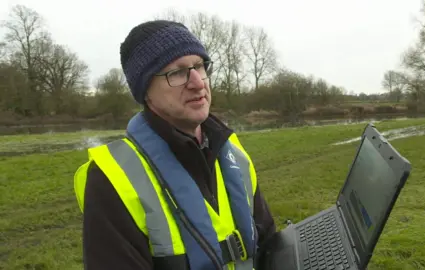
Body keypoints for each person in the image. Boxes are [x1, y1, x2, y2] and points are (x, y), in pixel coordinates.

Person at [73, 20, 277, 270]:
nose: (198, 83)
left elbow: (269, 246)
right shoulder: (110, 180)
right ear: (145, 91)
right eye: (177, 73)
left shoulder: (233, 153)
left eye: (199, 66)